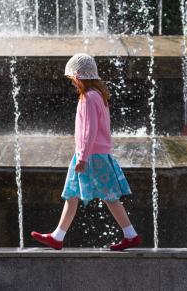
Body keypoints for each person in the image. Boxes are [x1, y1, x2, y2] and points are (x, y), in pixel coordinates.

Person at [30, 53, 141, 251]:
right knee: (73, 194)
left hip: (91, 155)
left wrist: (82, 157)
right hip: (91, 153)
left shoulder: (89, 98)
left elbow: (88, 131)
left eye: (72, 77)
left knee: (109, 196)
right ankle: (58, 236)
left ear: (79, 76)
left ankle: (130, 234)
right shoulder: (98, 96)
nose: (72, 81)